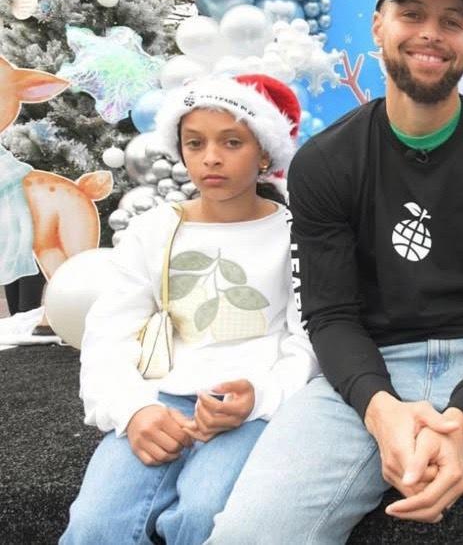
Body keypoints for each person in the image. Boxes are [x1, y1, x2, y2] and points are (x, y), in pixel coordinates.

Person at [208, 0, 463, 543]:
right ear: (378, 25)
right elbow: (330, 314)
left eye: (451, 21)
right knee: (250, 531)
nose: (431, 33)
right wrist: (379, 407)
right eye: (412, 14)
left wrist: (460, 418)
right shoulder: (325, 163)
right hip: (369, 363)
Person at [61, 74, 319, 545]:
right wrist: (133, 409)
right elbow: (109, 334)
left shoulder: (297, 234)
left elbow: (308, 338)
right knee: (96, 525)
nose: (211, 157)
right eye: (195, 143)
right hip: (159, 401)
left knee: (204, 515)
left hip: (252, 410)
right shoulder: (152, 230)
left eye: (232, 142)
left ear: (264, 153)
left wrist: (261, 397)